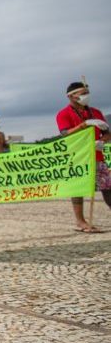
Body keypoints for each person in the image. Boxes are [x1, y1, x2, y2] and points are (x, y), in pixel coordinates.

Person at [56, 81, 111, 233]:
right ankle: (80, 221)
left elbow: (107, 133)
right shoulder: (63, 114)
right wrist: (84, 124)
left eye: (87, 93)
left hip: (97, 155)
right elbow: (65, 134)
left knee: (108, 186)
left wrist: (102, 141)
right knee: (78, 188)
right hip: (77, 156)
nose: (86, 96)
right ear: (71, 96)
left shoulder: (96, 112)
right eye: (82, 93)